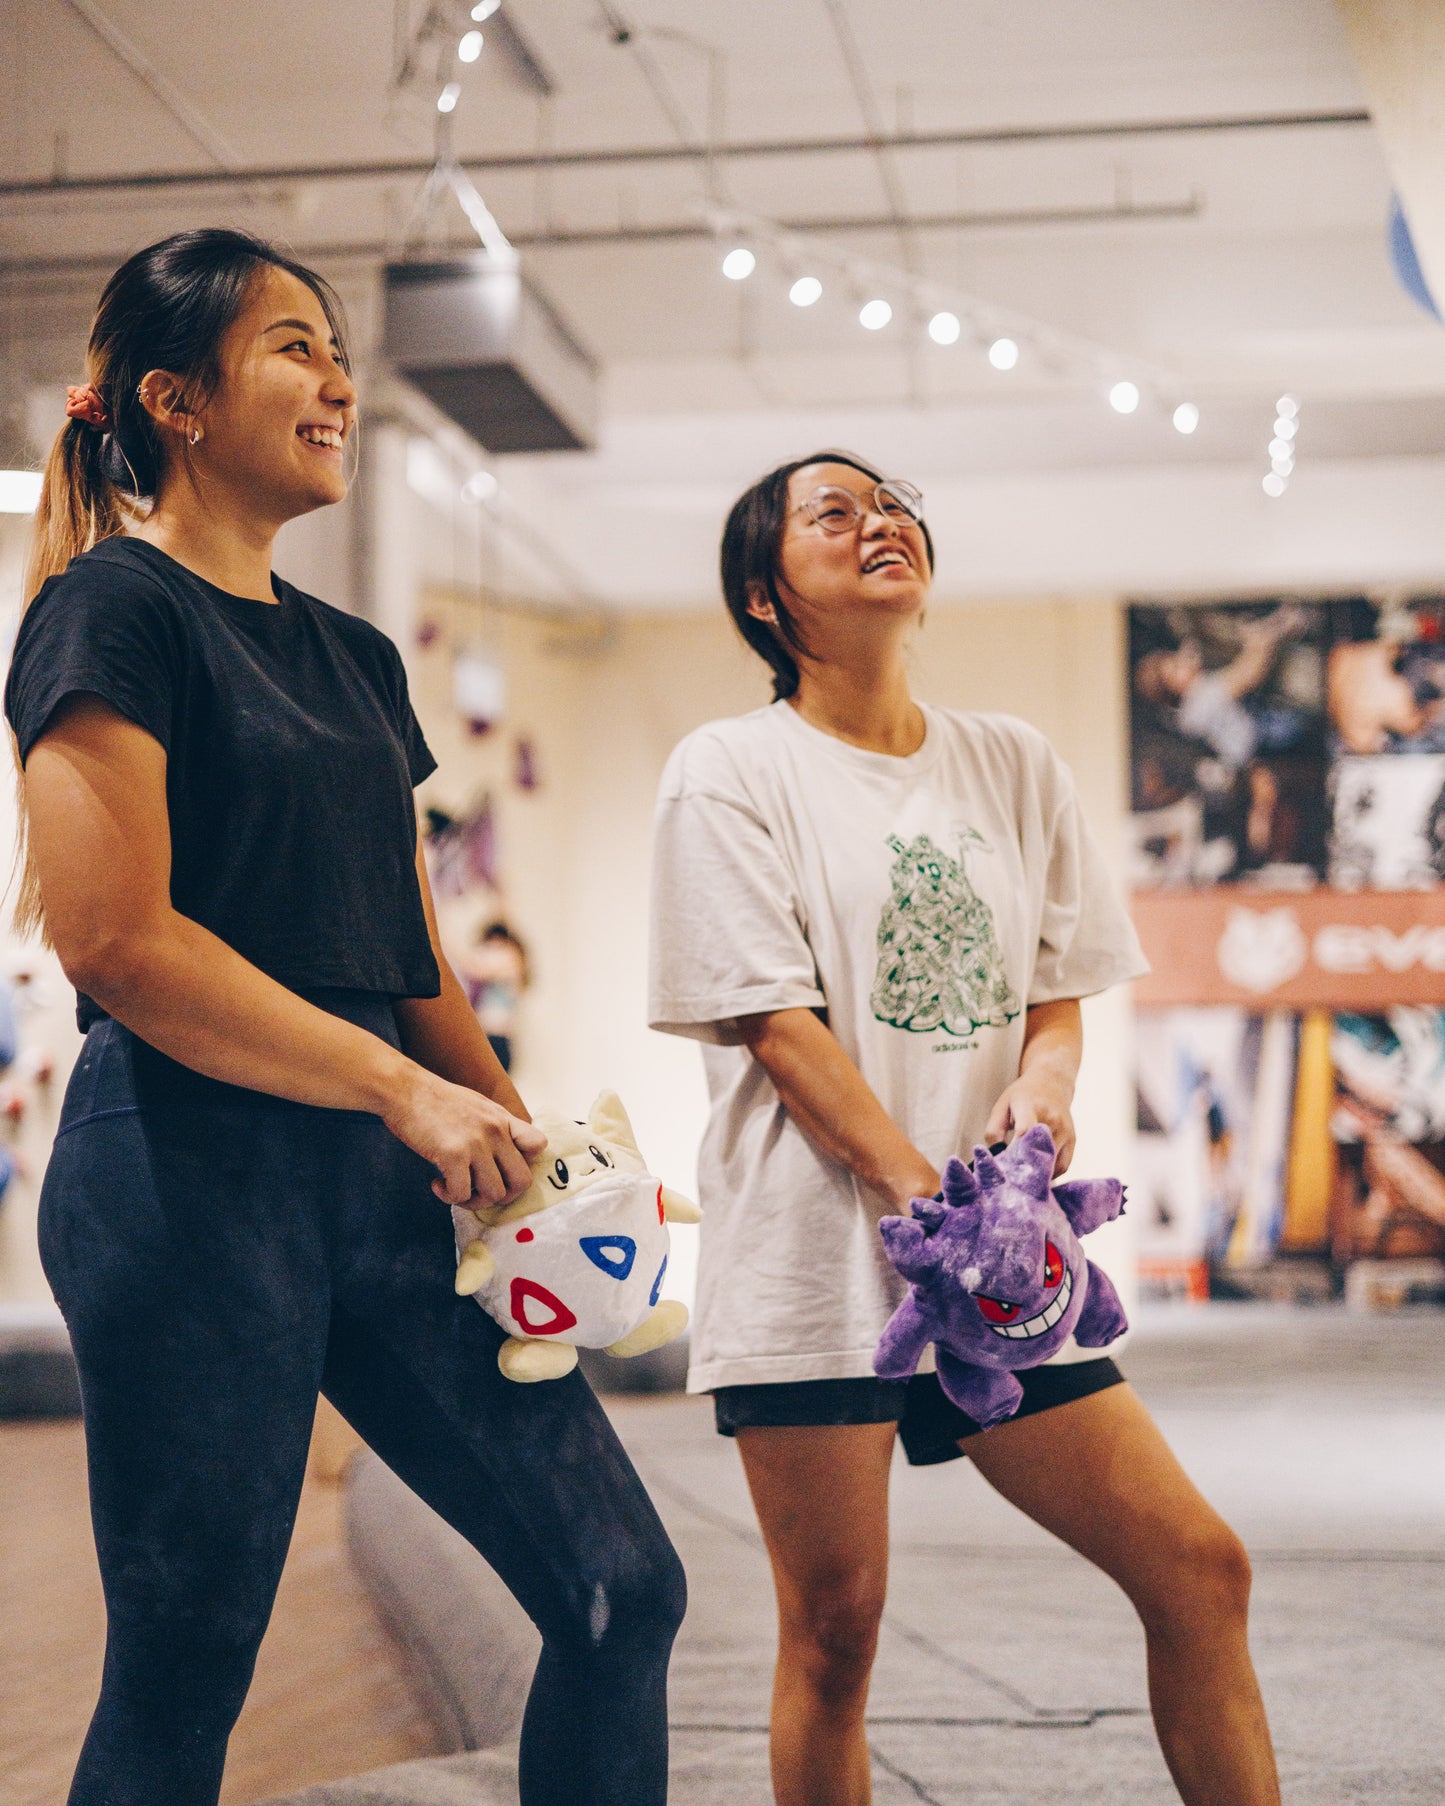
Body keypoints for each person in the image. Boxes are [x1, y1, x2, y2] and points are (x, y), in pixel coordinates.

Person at [8, 229, 683, 1806]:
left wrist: (519, 1129)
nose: (338, 378)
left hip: (381, 1174)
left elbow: (409, 949)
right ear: (173, 400)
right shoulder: (109, 610)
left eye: (337, 350)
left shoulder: (358, 657)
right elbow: (119, 943)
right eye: (294, 344)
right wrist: (400, 1089)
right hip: (182, 1170)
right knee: (185, 1668)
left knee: (616, 1587)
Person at [648, 452, 1280, 1806]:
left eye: (891, 505)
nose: (880, 521)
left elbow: (1055, 1000)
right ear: (767, 595)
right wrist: (914, 1192)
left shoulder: (1010, 761)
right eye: (835, 512)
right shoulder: (728, 770)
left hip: (1000, 1266)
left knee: (1197, 1565)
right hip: (815, 1258)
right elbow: (773, 1020)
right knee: (835, 1632)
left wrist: (1039, 1109)